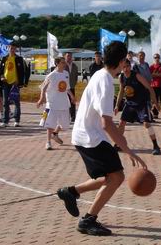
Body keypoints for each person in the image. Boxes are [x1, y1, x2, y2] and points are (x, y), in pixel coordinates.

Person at [57, 41, 147, 236]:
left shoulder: (100, 75)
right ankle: (88, 220)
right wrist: (128, 150)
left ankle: (71, 192)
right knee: (117, 177)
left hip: (85, 135)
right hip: (91, 138)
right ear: (123, 62)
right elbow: (107, 123)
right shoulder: (106, 81)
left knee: (108, 177)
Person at [115, 59, 161, 155]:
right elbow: (121, 91)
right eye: (123, 67)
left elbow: (149, 87)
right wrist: (116, 105)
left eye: (127, 66)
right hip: (130, 103)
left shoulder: (137, 75)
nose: (126, 69)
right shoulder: (122, 77)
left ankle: (156, 146)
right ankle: (117, 144)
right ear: (121, 68)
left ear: (130, 66)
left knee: (146, 124)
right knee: (121, 123)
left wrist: (155, 103)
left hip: (141, 103)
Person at [37, 57, 75, 150]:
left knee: (65, 125)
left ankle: (55, 134)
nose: (64, 64)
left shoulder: (66, 74)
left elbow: (67, 87)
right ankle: (48, 142)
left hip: (64, 103)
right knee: (50, 124)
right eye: (62, 63)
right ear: (57, 64)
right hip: (52, 103)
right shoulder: (51, 75)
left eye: (64, 62)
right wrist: (41, 98)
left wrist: (72, 96)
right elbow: (43, 88)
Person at [0, 42, 30, 128]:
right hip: (5, 83)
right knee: (5, 102)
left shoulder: (19, 59)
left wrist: (21, 82)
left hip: (15, 83)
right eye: (10, 48)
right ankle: (5, 121)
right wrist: (1, 77)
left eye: (14, 48)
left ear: (16, 49)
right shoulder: (4, 58)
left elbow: (24, 71)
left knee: (16, 102)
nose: (12, 50)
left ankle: (16, 120)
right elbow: (0, 70)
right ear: (8, 48)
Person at [64, 52, 78, 122]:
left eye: (70, 56)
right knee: (65, 102)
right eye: (67, 56)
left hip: (72, 86)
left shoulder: (75, 66)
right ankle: (66, 116)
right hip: (63, 88)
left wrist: (74, 84)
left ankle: (73, 117)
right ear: (65, 57)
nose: (69, 57)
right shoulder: (62, 65)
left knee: (73, 102)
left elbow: (76, 76)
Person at [149, 53, 161, 118]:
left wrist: (154, 74)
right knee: (154, 100)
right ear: (153, 58)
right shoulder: (151, 66)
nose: (157, 59)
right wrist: (158, 74)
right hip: (154, 86)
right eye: (155, 57)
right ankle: (155, 113)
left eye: (158, 57)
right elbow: (150, 75)